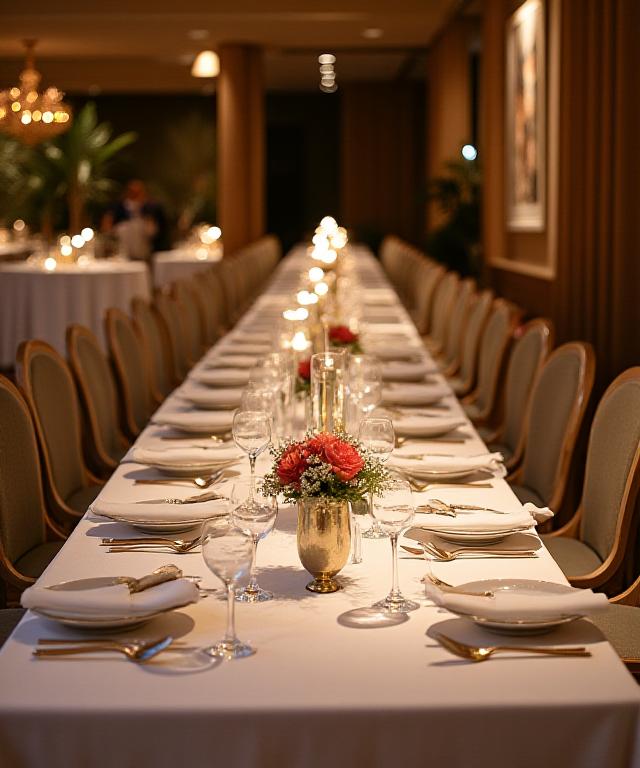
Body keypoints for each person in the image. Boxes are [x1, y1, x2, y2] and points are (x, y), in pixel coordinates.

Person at [102, 180, 169, 260]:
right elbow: (107, 225)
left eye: (137, 192)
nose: (135, 194)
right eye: (132, 192)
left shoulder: (151, 207)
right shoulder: (118, 207)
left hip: (145, 250)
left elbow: (156, 230)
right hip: (123, 249)